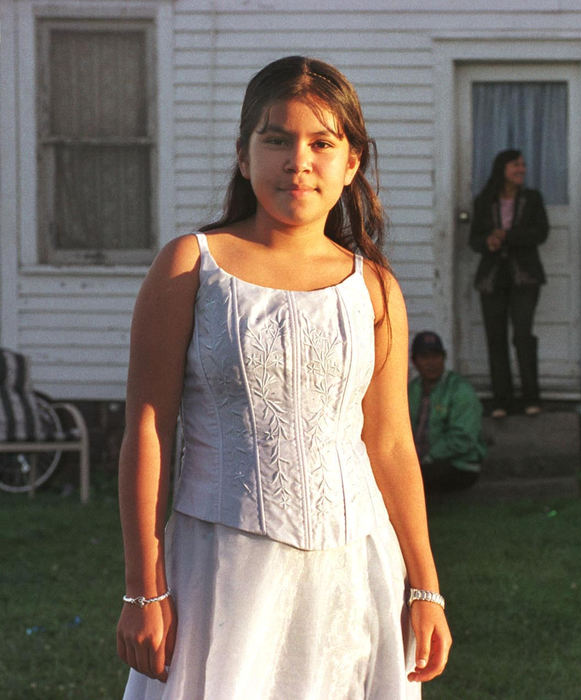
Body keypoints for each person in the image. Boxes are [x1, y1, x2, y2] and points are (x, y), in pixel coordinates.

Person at [115, 56, 450, 699]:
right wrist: (143, 587)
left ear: (351, 163)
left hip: (355, 571)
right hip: (222, 570)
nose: (298, 161)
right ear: (244, 156)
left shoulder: (374, 287)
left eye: (322, 143)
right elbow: (149, 430)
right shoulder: (191, 266)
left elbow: (389, 442)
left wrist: (424, 586)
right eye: (276, 140)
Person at [469, 149, 549, 418]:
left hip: (524, 276)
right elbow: (474, 239)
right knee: (496, 338)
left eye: (524, 165)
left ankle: (531, 398)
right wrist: (488, 241)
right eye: (516, 165)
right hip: (493, 277)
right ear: (502, 168)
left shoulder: (532, 199)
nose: (522, 169)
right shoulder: (485, 200)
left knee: (523, 336)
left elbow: (541, 232)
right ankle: (501, 400)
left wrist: (508, 236)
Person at [408, 331, 485, 493]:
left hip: (458, 464)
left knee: (415, 480)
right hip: (419, 461)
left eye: (436, 356)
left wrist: (428, 457)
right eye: (424, 357)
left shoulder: (460, 389)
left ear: (444, 358)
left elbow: (463, 438)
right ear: (414, 361)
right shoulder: (411, 390)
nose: (431, 363)